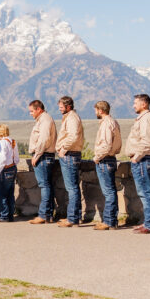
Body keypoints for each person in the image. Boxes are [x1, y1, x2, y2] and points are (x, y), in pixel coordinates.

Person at [127, 93, 150, 234]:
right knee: (145, 192)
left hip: (144, 160)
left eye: (136, 103)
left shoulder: (146, 119)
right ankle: (149, 222)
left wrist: (136, 157)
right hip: (145, 159)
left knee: (146, 192)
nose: (133, 105)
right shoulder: (146, 118)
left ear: (144, 104)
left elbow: (146, 142)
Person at [91, 101, 123, 231]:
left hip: (104, 160)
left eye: (95, 110)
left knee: (108, 192)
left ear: (100, 110)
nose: (95, 113)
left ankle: (109, 221)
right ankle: (111, 220)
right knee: (111, 191)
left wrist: (97, 158)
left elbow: (106, 145)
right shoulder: (113, 122)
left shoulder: (106, 124)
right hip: (111, 159)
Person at [54, 96, 85, 228]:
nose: (60, 109)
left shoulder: (72, 118)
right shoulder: (70, 117)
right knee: (72, 187)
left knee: (72, 188)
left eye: (61, 107)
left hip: (69, 154)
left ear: (68, 106)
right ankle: (74, 216)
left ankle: (72, 218)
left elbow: (73, 136)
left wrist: (63, 148)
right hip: (70, 154)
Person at [27, 100, 58, 225]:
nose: (30, 114)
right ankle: (48, 214)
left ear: (38, 109)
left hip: (43, 156)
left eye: (31, 111)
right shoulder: (44, 120)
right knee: (47, 185)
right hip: (45, 155)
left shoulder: (45, 120)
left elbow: (43, 140)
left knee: (44, 185)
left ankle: (44, 214)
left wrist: (37, 155)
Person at [0, 124, 19, 222]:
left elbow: (2, 158)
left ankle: (3, 216)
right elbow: (17, 158)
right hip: (12, 168)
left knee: (1, 194)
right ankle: (10, 215)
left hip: (4, 170)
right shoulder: (13, 141)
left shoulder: (2, 142)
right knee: (10, 193)